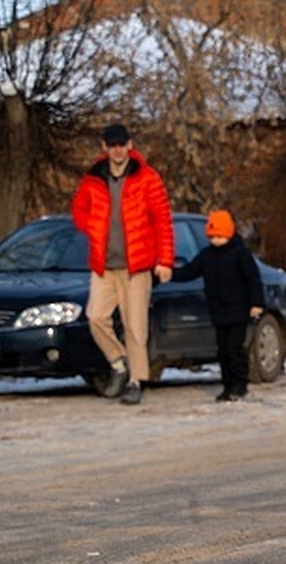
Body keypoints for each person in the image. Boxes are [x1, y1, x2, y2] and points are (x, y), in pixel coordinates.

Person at [71, 122, 174, 405]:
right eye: (112, 144)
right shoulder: (93, 178)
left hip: (136, 267)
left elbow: (163, 222)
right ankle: (118, 362)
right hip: (104, 267)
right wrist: (93, 228)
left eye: (122, 144)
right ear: (105, 147)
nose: (117, 149)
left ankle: (135, 381)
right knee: (95, 317)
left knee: (134, 326)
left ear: (130, 145)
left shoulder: (148, 178)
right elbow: (79, 211)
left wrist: (164, 260)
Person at [171, 210, 265, 402]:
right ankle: (227, 386)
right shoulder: (207, 255)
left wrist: (256, 303)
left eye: (219, 236)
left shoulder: (240, 253)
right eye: (212, 236)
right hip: (218, 311)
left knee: (234, 348)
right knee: (222, 351)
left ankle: (240, 385)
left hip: (239, 310)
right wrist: (168, 274)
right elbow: (189, 272)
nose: (215, 240)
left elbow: (253, 279)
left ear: (229, 234)